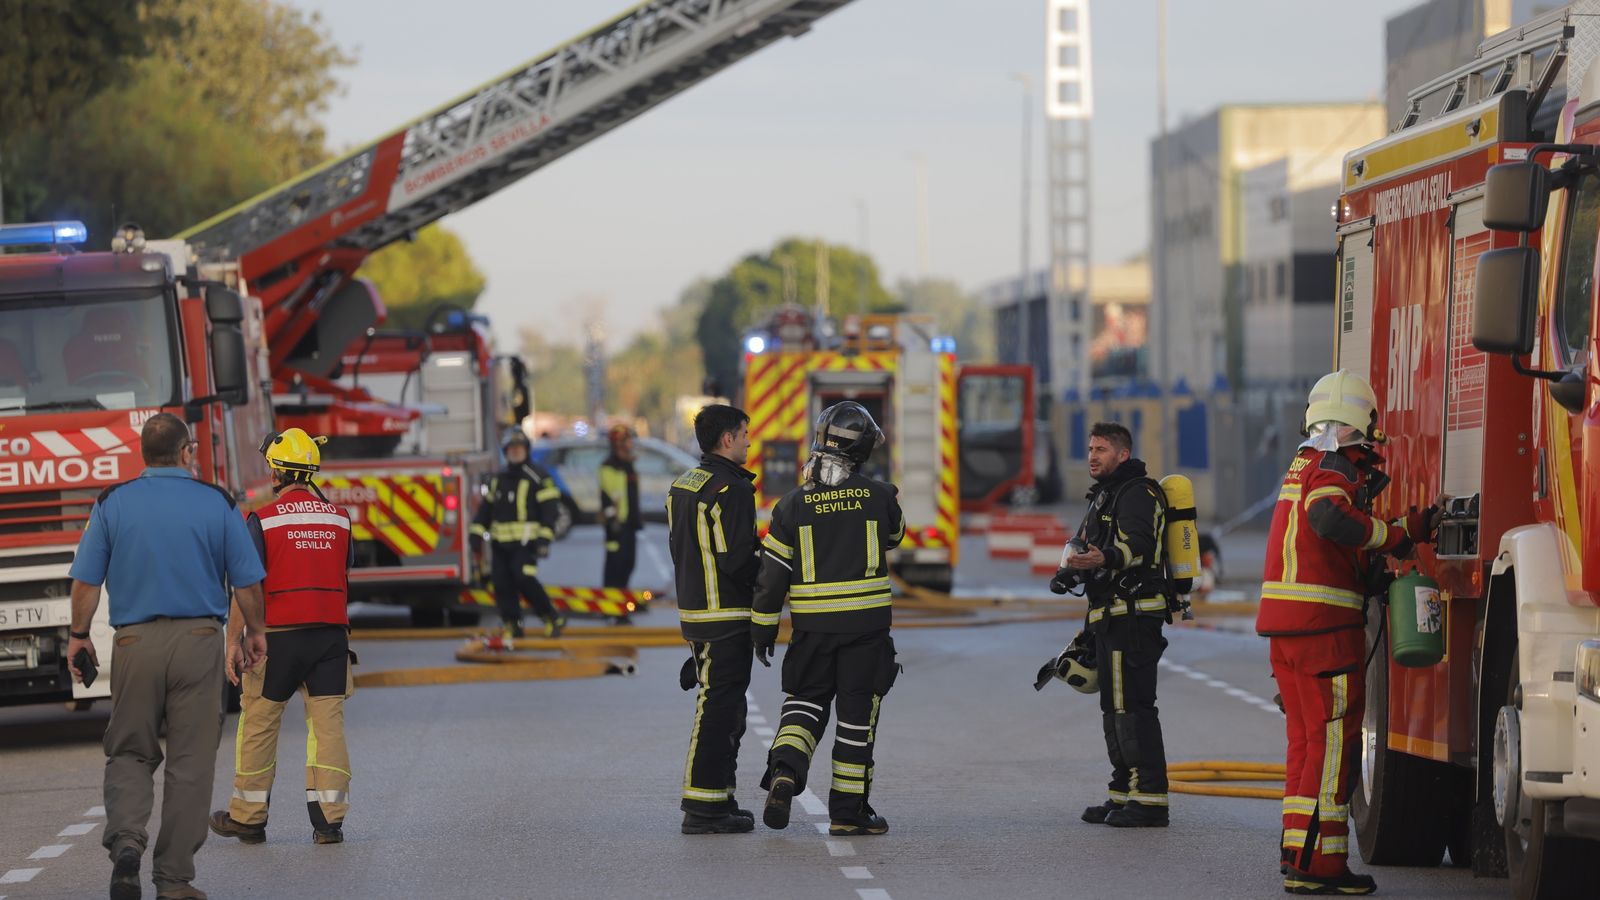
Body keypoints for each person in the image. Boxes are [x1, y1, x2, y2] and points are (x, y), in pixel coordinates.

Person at [65, 413, 268, 900]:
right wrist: (255, 632)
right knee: (191, 761)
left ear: (142, 455)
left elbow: (86, 583)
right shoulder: (216, 502)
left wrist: (78, 636)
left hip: (134, 643)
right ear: (186, 452)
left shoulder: (113, 502)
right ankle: (174, 880)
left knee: (131, 750)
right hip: (199, 641)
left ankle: (128, 847)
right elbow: (247, 582)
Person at [1256, 370, 1440, 896]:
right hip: (1324, 632)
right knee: (1334, 744)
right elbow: (1328, 520)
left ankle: (1299, 852)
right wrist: (1393, 536)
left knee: (1305, 742)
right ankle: (1323, 868)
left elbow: (1322, 541)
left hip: (1287, 630)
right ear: (1365, 421)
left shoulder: (1304, 461)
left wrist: (1375, 556)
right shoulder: (1336, 467)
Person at [754, 401, 906, 837]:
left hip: (812, 633)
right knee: (857, 722)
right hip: (866, 634)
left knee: (803, 704)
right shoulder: (879, 497)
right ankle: (848, 813)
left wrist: (763, 628)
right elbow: (895, 537)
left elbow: (771, 577)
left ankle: (785, 770)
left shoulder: (790, 506)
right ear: (862, 450)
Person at [209, 428, 355, 848]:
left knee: (258, 723)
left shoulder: (263, 519)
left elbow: (246, 585)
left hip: (278, 639)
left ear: (278, 470)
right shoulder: (339, 518)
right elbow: (343, 572)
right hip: (330, 639)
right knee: (328, 729)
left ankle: (248, 818)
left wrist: (233, 641)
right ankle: (330, 822)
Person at [1057, 421, 1172, 828]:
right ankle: (1123, 793)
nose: (1092, 455)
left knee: (1133, 707)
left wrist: (1102, 559)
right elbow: (1089, 546)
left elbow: (1138, 544)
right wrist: (1072, 570)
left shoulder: (1138, 492)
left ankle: (1150, 800)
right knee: (1112, 706)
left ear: (1123, 454)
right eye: (1090, 448)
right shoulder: (1104, 495)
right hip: (1109, 614)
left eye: (1101, 449)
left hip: (1135, 615)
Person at [667, 404, 761, 834]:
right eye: (744, 433)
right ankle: (703, 808)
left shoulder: (684, 484)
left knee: (725, 707)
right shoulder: (732, 490)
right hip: (726, 613)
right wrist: (778, 574)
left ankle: (719, 798)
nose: (748, 440)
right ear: (727, 439)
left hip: (696, 611)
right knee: (719, 710)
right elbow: (739, 559)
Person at [470, 430, 565, 638]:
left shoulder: (539, 476)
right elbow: (486, 510)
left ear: (526, 450)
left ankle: (551, 617)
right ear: (506, 452)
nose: (515, 452)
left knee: (524, 579)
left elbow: (550, 510)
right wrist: (476, 533)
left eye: (519, 448)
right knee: (502, 584)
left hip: (526, 544)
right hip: (500, 545)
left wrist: (544, 538)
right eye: (511, 449)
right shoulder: (499, 479)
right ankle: (512, 624)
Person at [599, 423, 642, 589]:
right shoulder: (609, 467)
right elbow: (606, 497)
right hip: (616, 524)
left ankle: (622, 601)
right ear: (619, 443)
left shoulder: (627, 465)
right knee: (615, 565)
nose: (631, 443)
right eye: (628, 440)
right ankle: (612, 605)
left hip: (629, 523)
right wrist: (612, 521)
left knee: (628, 564)